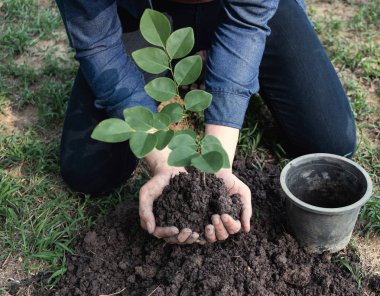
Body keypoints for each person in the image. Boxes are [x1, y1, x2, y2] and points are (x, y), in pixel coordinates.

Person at [56, 0, 356, 244]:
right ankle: (192, 65)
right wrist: (162, 163)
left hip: (240, 9)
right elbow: (98, 45)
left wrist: (218, 163)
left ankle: (210, 63)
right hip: (139, 12)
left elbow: (246, 23)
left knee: (331, 142)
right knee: (89, 173)